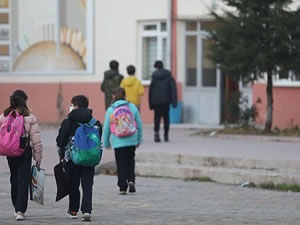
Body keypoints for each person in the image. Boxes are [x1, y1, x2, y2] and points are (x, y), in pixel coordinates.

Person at [56, 95, 102, 221]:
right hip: (90, 158)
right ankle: (87, 210)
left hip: (73, 158)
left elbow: (61, 140)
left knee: (73, 184)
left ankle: (73, 210)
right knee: (87, 184)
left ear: (75, 106)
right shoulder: (95, 123)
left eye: (72, 105)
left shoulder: (68, 121)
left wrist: (61, 151)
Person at [0, 90, 43, 221]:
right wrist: (38, 157)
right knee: (23, 180)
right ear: (25, 101)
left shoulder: (4, 116)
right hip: (24, 152)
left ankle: (16, 206)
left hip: (10, 152)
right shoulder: (29, 117)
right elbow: (36, 139)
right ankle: (20, 209)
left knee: (14, 178)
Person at [103, 87, 142, 195]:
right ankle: (131, 180)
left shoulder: (111, 110)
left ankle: (122, 187)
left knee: (121, 164)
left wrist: (106, 142)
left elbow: (106, 127)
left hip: (118, 141)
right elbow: (139, 125)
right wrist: (139, 139)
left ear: (113, 96)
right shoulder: (132, 107)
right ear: (125, 95)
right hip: (132, 139)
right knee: (130, 161)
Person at [149, 60, 177, 142]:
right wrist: (174, 101)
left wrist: (150, 103)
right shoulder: (169, 76)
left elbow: (151, 91)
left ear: (156, 67)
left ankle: (156, 134)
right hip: (166, 101)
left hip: (156, 101)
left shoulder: (154, 77)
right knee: (166, 117)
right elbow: (173, 89)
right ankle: (166, 135)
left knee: (157, 118)